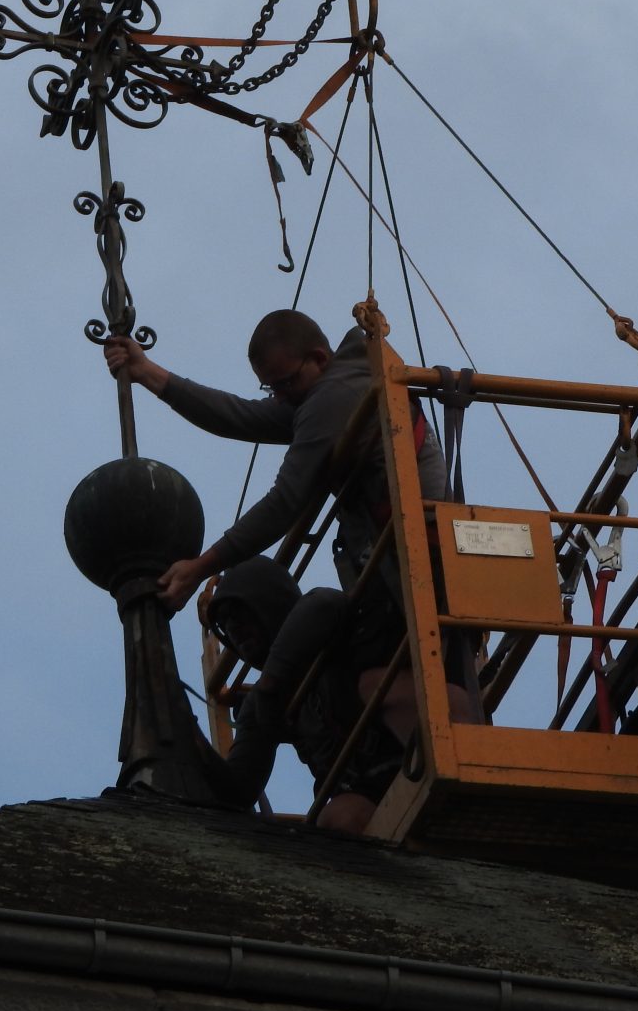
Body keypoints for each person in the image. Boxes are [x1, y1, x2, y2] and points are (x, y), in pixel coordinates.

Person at [103, 309, 482, 734]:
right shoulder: (325, 390)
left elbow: (285, 502)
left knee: (384, 682)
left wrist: (200, 567)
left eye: (285, 383)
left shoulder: (334, 397)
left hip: (414, 560)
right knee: (388, 677)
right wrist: (148, 372)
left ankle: (457, 754)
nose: (279, 396)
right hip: (405, 560)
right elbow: (241, 416)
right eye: (271, 387)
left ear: (319, 358)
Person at [197, 557, 407, 834]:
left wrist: (272, 684)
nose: (233, 628)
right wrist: (191, 739)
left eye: (239, 613)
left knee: (387, 686)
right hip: (364, 789)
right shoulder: (259, 706)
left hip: (408, 752)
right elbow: (239, 791)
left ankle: (440, 772)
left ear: (269, 602)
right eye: (225, 623)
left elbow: (322, 604)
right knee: (337, 820)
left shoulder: (333, 625)